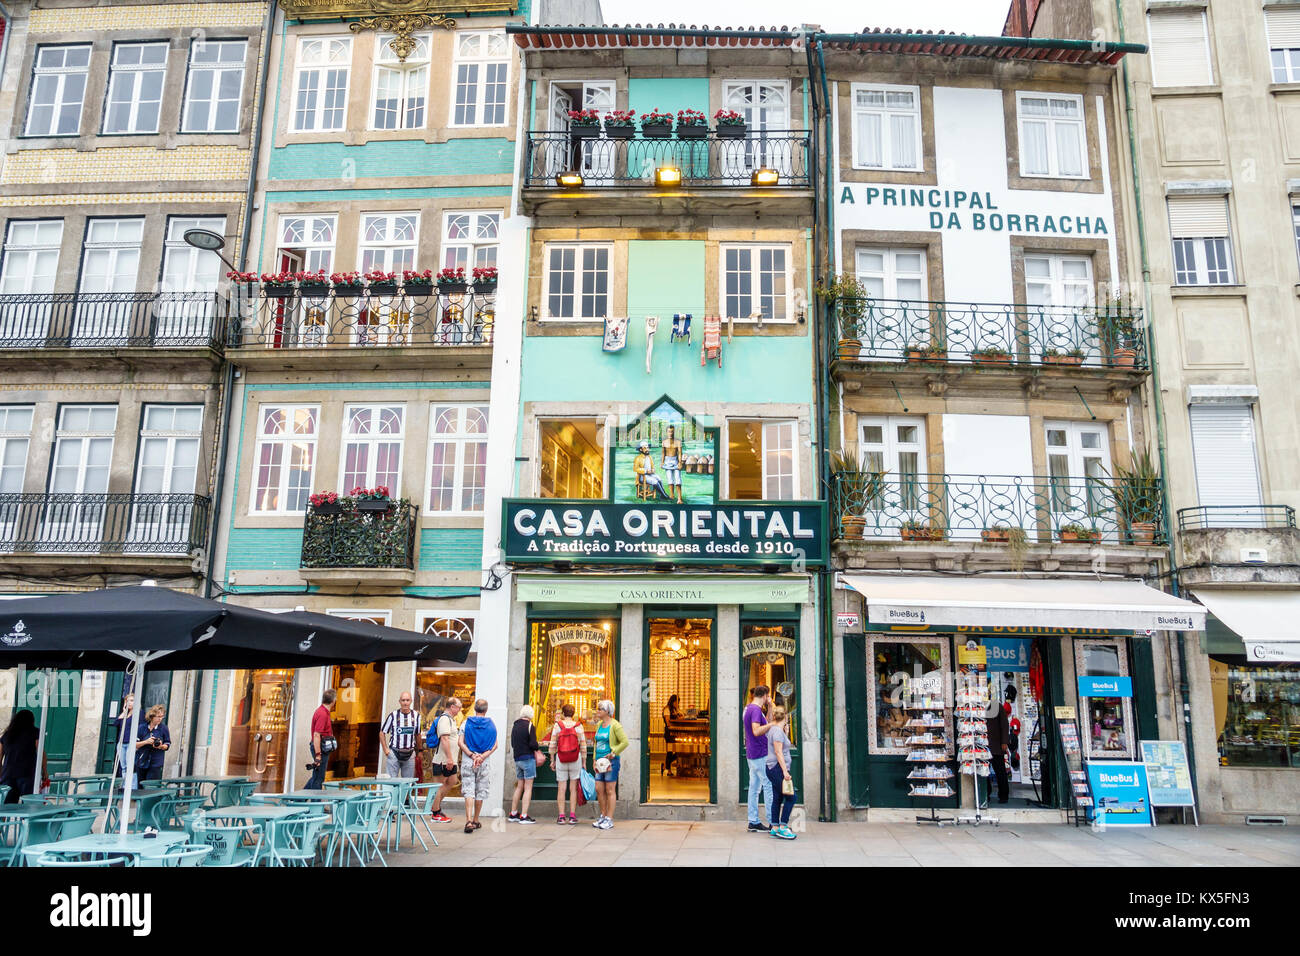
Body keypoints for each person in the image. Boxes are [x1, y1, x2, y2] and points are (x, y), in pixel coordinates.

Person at [743, 685, 780, 832]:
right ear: (764, 695)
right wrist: (773, 723)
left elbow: (766, 723)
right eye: (768, 697)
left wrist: (770, 707)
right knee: (768, 786)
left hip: (752, 753)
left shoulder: (750, 709)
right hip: (760, 753)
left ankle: (753, 821)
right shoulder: (756, 710)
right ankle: (772, 822)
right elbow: (757, 730)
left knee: (754, 788)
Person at [458, 699, 497, 834]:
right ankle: (475, 819)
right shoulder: (491, 725)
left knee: (469, 789)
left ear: (475, 709)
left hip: (469, 760)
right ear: (486, 710)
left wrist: (472, 755)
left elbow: (460, 742)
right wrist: (482, 756)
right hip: (484, 762)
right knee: (481, 789)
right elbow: (495, 745)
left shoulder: (466, 723)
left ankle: (468, 820)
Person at [591, 699, 629, 830]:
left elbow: (624, 742)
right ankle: (603, 815)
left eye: (600, 709)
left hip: (611, 762)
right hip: (599, 762)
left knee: (610, 789)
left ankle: (609, 818)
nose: (598, 711)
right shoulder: (599, 725)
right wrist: (594, 759)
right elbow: (596, 743)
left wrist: (614, 753)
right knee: (599, 789)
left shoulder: (615, 725)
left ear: (607, 711)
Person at [548, 703, 586, 825]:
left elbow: (553, 744)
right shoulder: (578, 726)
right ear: (573, 714)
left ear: (563, 714)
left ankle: (561, 816)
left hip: (561, 758)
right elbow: (583, 745)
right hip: (575, 758)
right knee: (573, 788)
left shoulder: (557, 726)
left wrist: (552, 759)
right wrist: (584, 762)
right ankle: (573, 816)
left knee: (561, 788)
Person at [427, 697, 462, 823]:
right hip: (443, 759)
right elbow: (444, 739)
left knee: (452, 780)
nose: (460, 709)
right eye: (459, 707)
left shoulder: (451, 720)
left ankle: (435, 807)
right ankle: (435, 813)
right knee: (439, 785)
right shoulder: (444, 719)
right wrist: (449, 758)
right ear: (452, 707)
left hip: (449, 759)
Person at [765, 705, 797, 840]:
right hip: (777, 768)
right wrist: (785, 771)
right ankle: (783, 827)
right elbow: (778, 752)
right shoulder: (777, 732)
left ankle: (775, 827)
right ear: (785, 716)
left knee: (777, 797)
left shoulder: (775, 730)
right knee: (791, 797)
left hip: (774, 768)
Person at [509, 704, 545, 824]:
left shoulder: (515, 725)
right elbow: (533, 744)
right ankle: (524, 815)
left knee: (519, 786)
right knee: (528, 787)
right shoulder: (530, 726)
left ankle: (513, 813)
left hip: (517, 758)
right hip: (528, 758)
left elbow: (513, 743)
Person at [0, 709, 42, 803]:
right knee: (27, 804)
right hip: (26, 773)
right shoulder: (34, 732)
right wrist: (44, 771)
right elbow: (40, 753)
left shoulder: (7, 735)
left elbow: (0, 757)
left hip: (8, 774)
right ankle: (25, 818)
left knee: (7, 806)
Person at [379, 691, 420, 779]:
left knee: (407, 783)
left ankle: (403, 793)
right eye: (403, 700)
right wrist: (386, 749)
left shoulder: (416, 716)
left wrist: (419, 751)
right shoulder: (393, 715)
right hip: (394, 753)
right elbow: (382, 732)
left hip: (410, 754)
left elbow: (418, 734)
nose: (405, 703)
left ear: (411, 701)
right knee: (391, 783)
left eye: (407, 700)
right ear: (399, 702)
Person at [306, 688, 336, 790]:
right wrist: (318, 755)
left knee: (316, 776)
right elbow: (316, 735)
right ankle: (316, 804)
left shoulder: (324, 712)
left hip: (322, 748)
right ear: (333, 701)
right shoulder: (322, 714)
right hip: (320, 749)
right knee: (318, 778)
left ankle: (297, 799)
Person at [133, 705, 171, 783]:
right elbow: (134, 744)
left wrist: (161, 746)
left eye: (162, 717)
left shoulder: (163, 728)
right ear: (152, 716)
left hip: (156, 762)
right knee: (140, 785)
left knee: (151, 786)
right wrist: (146, 742)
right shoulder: (142, 728)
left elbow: (168, 744)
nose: (160, 719)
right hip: (142, 760)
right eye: (158, 716)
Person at [987, 687, 1011, 805]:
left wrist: (1004, 742)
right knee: (984, 772)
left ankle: (1004, 795)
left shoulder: (997, 706)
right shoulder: (978, 706)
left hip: (996, 745)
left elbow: (1004, 724)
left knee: (1000, 771)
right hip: (984, 746)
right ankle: (986, 794)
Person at [115, 692, 135, 782]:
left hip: (130, 743)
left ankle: (131, 788)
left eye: (132, 701)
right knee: (123, 767)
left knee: (130, 767)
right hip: (121, 743)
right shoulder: (125, 714)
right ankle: (124, 787)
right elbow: (116, 723)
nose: (129, 703)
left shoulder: (139, 714)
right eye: (127, 701)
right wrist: (124, 712)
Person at [661, 424, 683, 503]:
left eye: (672, 432)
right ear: (667, 432)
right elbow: (663, 453)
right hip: (667, 461)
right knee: (670, 479)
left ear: (674, 432)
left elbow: (680, 453)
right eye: (669, 432)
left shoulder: (678, 442)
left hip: (675, 460)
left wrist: (680, 462)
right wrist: (662, 462)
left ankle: (679, 498)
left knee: (678, 479)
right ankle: (671, 495)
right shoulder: (664, 442)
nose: (671, 433)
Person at [661, 693, 681, 776]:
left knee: (679, 751)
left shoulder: (676, 709)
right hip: (669, 732)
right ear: (672, 701)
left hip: (676, 732)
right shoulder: (667, 709)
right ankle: (668, 770)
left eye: (678, 702)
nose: (677, 704)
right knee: (670, 750)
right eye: (676, 702)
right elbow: (668, 721)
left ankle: (665, 765)